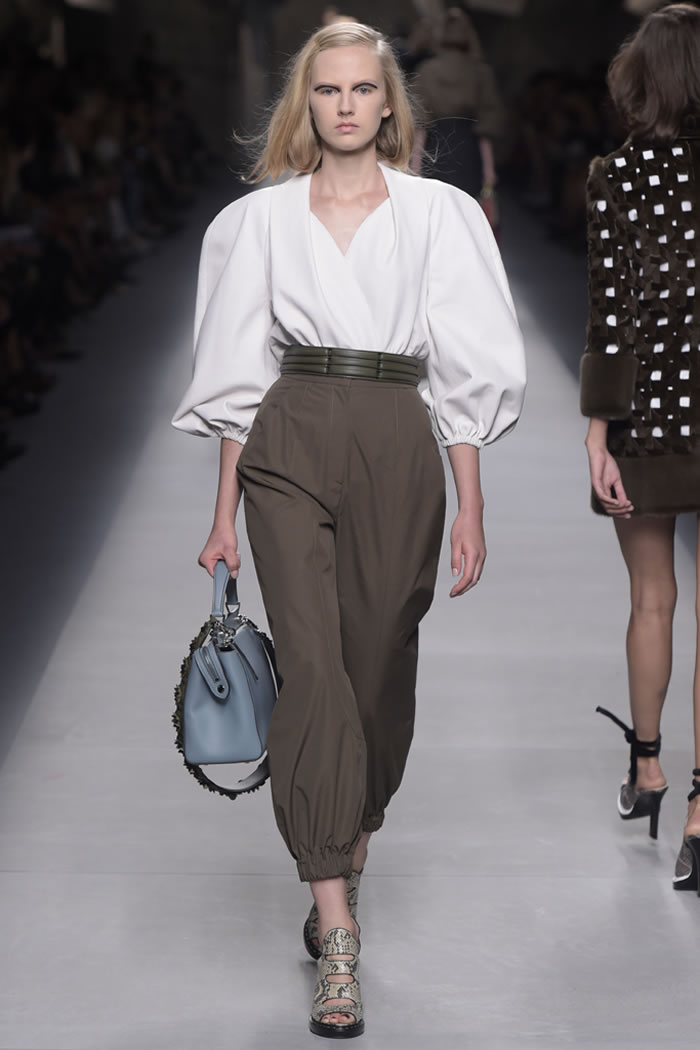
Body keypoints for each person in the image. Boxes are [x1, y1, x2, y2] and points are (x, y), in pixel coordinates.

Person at [172, 21, 525, 1036]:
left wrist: (471, 498)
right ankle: (336, 930)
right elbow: (238, 372)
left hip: (397, 434)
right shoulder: (258, 224)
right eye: (327, 90)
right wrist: (222, 514)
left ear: (387, 102)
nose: (344, 106)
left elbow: (464, 356)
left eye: (362, 89)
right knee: (315, 672)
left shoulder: (438, 215)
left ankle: (348, 837)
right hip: (289, 433)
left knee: (376, 666)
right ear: (306, 103)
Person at [579, 3, 700, 893]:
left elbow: (611, 312)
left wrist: (597, 430)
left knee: (652, 598)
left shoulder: (615, 176)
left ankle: (649, 769)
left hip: (649, 416)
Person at [412, 7, 505, 223]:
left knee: (434, 215)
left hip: (435, 147)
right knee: (465, 216)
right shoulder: (480, 72)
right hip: (468, 147)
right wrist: (489, 171)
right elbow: (486, 124)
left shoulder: (426, 71)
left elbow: (420, 123)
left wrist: (415, 168)